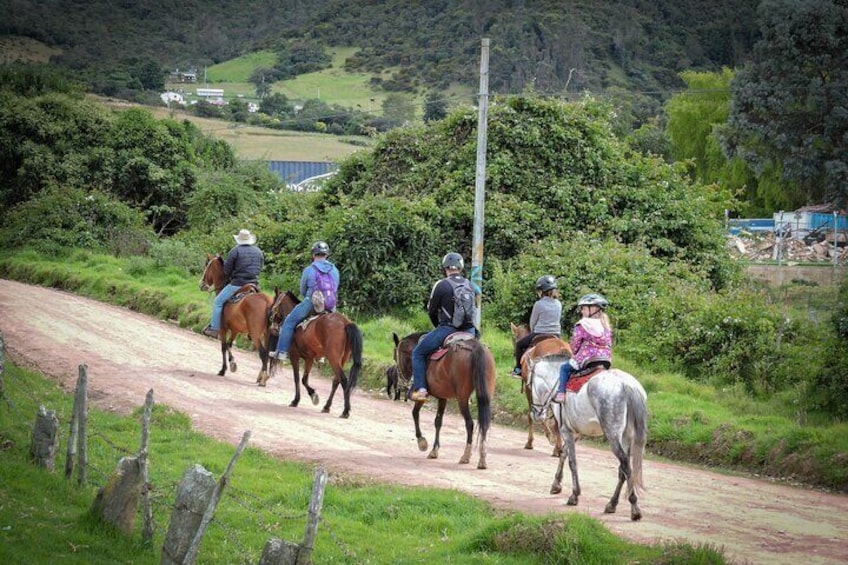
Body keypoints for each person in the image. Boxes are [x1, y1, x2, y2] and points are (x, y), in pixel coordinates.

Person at [410, 252, 478, 402]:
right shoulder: (471, 285)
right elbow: (474, 308)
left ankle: (421, 389)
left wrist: (438, 327)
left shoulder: (441, 285)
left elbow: (432, 311)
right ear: (460, 268)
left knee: (418, 353)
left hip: (448, 328)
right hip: (469, 330)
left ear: (445, 268)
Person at [269, 241, 340, 362]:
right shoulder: (334, 270)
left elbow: (302, 290)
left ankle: (281, 352)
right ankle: (322, 356)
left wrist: (309, 296)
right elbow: (335, 287)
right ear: (326, 255)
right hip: (330, 305)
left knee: (289, 321)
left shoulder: (309, 269)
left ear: (313, 255)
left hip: (312, 302)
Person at [202, 229, 264, 338]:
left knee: (218, 302)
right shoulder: (258, 251)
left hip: (238, 283)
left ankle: (214, 329)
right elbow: (261, 267)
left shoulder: (235, 251)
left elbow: (226, 271)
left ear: (239, 240)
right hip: (254, 284)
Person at [553, 293, 612, 403]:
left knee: (564, 368)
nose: (582, 311)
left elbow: (574, 346)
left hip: (587, 359)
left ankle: (561, 393)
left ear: (592, 309)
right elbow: (609, 343)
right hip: (605, 359)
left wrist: (574, 352)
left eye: (584, 308)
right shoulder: (606, 325)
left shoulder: (582, 324)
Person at [511, 274, 562, 377]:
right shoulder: (558, 304)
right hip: (556, 334)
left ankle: (518, 369)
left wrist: (533, 331)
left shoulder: (538, 304)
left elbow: (532, 322)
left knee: (519, 345)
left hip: (539, 333)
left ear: (541, 291)